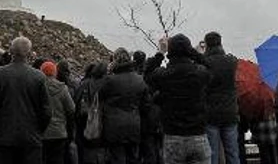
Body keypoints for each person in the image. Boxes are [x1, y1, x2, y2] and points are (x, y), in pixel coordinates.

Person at [0, 36, 52, 164]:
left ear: (11, 52)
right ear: (29, 53)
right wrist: (37, 130)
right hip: (30, 140)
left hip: (2, 140)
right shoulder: (38, 77)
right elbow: (46, 111)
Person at [146, 34, 211, 164]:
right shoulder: (199, 73)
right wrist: (195, 53)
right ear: (189, 51)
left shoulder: (163, 74)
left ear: (170, 52)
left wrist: (160, 52)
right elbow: (210, 67)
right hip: (197, 134)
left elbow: (147, 74)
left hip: (172, 135)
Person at [98, 48, 149, 164]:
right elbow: (146, 106)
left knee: (117, 158)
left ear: (114, 60)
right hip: (134, 125)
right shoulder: (139, 80)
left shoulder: (110, 80)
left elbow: (99, 98)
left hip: (114, 127)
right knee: (133, 158)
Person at [199, 32, 239, 164]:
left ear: (207, 44)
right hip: (230, 112)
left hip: (211, 114)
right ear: (220, 43)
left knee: (212, 154)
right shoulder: (231, 61)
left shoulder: (205, 63)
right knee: (232, 153)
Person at [41, 61, 76, 164]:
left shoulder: (37, 86)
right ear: (55, 73)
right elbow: (71, 109)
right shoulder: (62, 88)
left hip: (42, 131)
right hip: (59, 132)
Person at [74, 63, 108, 164]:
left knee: (86, 152)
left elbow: (76, 102)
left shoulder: (85, 84)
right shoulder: (108, 84)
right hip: (103, 123)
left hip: (85, 123)